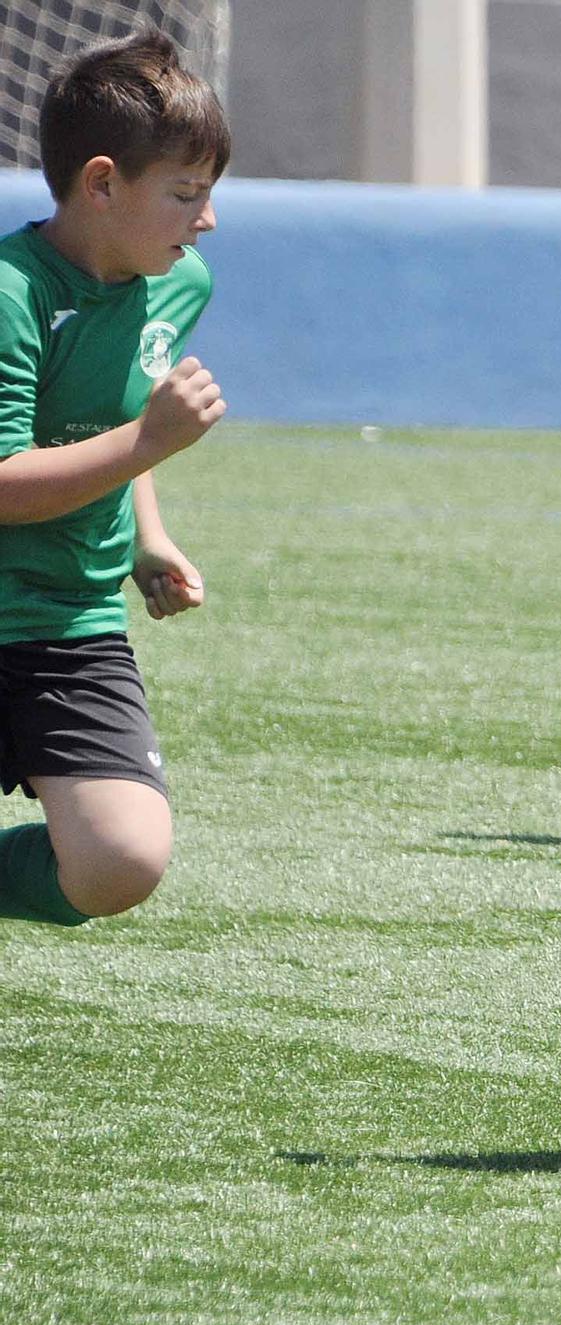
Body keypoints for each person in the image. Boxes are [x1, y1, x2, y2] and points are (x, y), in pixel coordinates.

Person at [0, 31, 229, 929]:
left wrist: (147, 538)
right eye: (185, 194)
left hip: (70, 620)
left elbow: (112, 420)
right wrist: (147, 442)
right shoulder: (12, 295)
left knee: (121, 860)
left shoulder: (179, 283)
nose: (204, 221)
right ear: (101, 184)